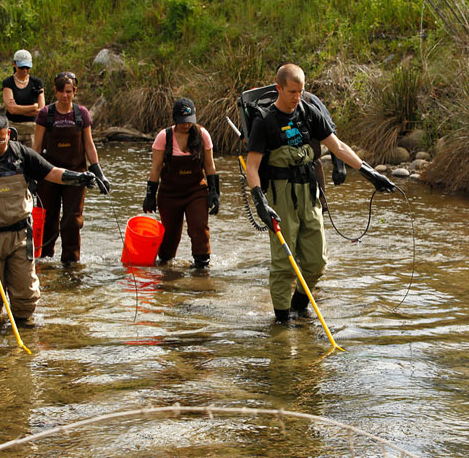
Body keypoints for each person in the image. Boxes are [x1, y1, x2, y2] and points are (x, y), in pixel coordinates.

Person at [246, 64, 395, 322]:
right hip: (280, 196)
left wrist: (370, 174)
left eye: (301, 91)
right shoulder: (264, 121)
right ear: (278, 87)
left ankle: (298, 306)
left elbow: (338, 146)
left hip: (309, 192)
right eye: (292, 91)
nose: (296, 97)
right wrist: (261, 203)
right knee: (284, 264)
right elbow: (252, 166)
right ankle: (281, 322)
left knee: (317, 263)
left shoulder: (309, 112)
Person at [0, 112, 96, 326]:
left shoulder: (22, 155)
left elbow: (51, 173)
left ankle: (24, 326)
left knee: (26, 293)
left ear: (9, 135)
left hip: (21, 236)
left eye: (0, 139)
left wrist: (78, 178)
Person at [33, 71, 111, 264]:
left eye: (68, 91)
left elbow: (89, 145)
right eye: (61, 91)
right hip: (49, 175)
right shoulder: (45, 114)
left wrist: (98, 172)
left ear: (74, 91)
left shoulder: (81, 114)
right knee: (48, 219)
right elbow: (36, 147)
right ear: (55, 91)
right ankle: (44, 259)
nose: (64, 95)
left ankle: (71, 262)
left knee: (71, 221)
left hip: (76, 176)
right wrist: (31, 175)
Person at [142, 98, 220, 268]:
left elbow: (209, 165)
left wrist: (215, 192)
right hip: (169, 193)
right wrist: (150, 195)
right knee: (170, 235)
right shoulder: (164, 137)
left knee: (199, 228)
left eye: (190, 122)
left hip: (196, 192)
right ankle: (166, 268)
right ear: (175, 119)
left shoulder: (202, 135)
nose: (186, 126)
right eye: (183, 122)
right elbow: (155, 168)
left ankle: (202, 266)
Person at [2, 49, 45, 148]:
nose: (25, 70)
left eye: (27, 67)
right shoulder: (8, 83)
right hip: (14, 127)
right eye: (22, 67)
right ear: (15, 65)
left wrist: (19, 109)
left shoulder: (37, 83)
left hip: (32, 128)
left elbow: (41, 110)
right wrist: (33, 106)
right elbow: (11, 109)